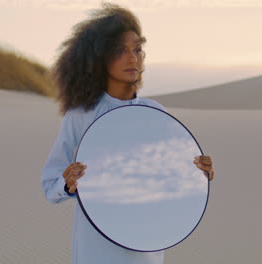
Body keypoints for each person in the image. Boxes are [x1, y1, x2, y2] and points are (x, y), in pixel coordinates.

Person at [41, 3, 215, 264]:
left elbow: (169, 179)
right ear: (99, 57)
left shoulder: (155, 112)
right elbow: (49, 185)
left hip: (146, 247)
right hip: (97, 249)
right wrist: (66, 185)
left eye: (137, 49)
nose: (132, 58)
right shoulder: (81, 114)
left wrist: (200, 175)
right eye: (119, 50)